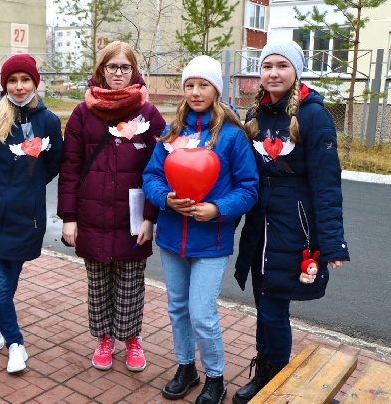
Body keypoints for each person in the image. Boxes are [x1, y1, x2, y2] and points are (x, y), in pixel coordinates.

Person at [233, 40, 349, 404]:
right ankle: (268, 369)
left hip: (293, 226)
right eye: (267, 66)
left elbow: (326, 184)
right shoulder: (256, 114)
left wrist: (332, 242)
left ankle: (273, 379)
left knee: (273, 307)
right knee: (264, 303)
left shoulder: (314, 116)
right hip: (259, 223)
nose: (273, 73)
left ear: (296, 70)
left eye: (282, 65)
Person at [142, 55, 259, 403]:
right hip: (171, 239)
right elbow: (151, 177)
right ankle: (185, 367)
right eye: (189, 85)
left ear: (216, 90)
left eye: (203, 85)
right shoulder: (171, 133)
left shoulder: (232, 137)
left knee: (201, 313)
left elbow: (249, 189)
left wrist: (217, 208)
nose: (195, 92)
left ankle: (215, 377)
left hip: (211, 241)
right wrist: (165, 199)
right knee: (177, 308)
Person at [57, 41, 166, 373]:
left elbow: (160, 169)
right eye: (112, 67)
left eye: (125, 67)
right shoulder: (82, 113)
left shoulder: (148, 114)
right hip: (91, 215)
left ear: (135, 71)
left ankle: (132, 339)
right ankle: (104, 337)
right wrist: (69, 218)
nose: (118, 73)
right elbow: (70, 167)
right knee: (98, 281)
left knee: (131, 281)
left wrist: (151, 217)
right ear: (100, 71)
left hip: (132, 217)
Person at [0, 53, 63, 374]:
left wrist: (30, 188)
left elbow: (53, 164)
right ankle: (16, 344)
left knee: (12, 277)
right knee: (1, 284)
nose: (19, 87)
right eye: (12, 80)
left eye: (25, 80)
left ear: (35, 82)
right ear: (4, 83)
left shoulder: (48, 121)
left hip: (27, 216)